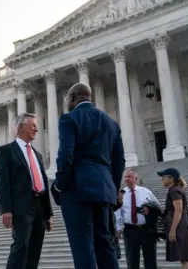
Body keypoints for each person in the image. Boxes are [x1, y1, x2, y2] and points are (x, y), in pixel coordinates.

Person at [50, 82, 124, 269]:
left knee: (82, 244)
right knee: (105, 244)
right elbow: (119, 161)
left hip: (77, 189)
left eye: (68, 99)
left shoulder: (69, 119)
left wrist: (58, 185)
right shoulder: (111, 123)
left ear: (72, 98)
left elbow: (65, 156)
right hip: (104, 190)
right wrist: (112, 189)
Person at [0, 112, 54, 269]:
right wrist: (6, 209)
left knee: (35, 250)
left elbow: (43, 183)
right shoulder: (6, 151)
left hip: (39, 207)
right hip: (22, 207)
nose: (36, 129)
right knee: (20, 247)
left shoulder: (38, 155)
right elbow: (2, 182)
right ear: (20, 127)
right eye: (33, 125)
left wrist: (48, 213)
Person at [116, 169, 160, 269]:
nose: (127, 179)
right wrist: (118, 228)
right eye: (125, 177)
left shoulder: (145, 191)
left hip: (147, 230)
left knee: (150, 260)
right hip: (130, 230)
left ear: (136, 178)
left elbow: (157, 205)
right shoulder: (121, 193)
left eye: (129, 177)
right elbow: (118, 212)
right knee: (132, 261)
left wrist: (149, 209)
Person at [158, 168, 188, 269]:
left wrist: (172, 230)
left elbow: (178, 210)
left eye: (164, 177)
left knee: (185, 259)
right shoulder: (177, 189)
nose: (162, 179)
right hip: (183, 225)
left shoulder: (174, 191)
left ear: (171, 178)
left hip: (179, 227)